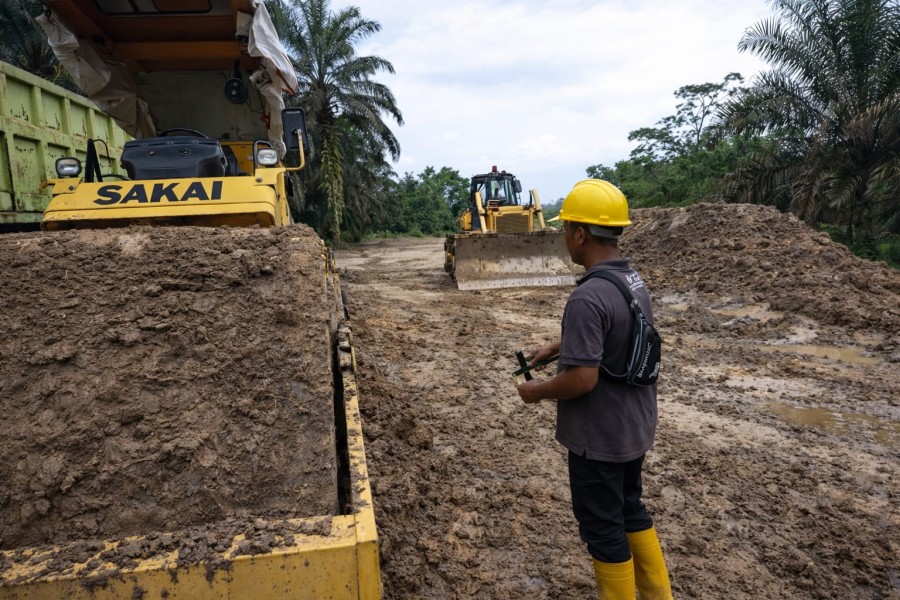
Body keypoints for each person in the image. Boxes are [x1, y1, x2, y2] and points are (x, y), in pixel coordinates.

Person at [517, 179, 673, 600]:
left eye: (566, 228)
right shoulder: (633, 281)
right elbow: (621, 335)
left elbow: (583, 380)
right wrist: (561, 344)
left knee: (604, 530)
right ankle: (659, 595)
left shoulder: (587, 297)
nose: (564, 236)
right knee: (630, 509)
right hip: (633, 429)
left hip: (599, 439)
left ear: (581, 234)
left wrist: (538, 392)